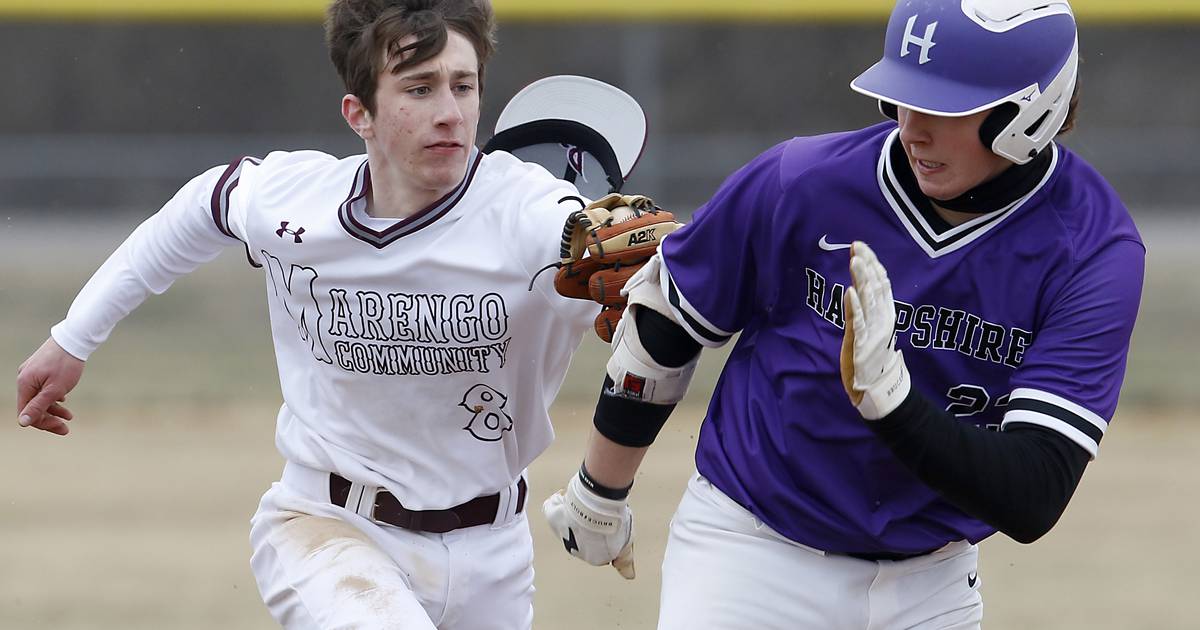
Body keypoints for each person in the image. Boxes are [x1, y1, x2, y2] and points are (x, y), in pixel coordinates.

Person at [14, 1, 649, 628]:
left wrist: (653, 284)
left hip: (496, 553)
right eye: (419, 88)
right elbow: (194, 213)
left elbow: (628, 253)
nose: (450, 113)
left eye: (464, 85)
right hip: (328, 528)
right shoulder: (296, 202)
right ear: (359, 113)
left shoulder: (531, 213)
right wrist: (72, 339)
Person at [541, 1, 1145, 628]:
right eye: (901, 98)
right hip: (749, 551)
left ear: (1027, 113)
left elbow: (1033, 495)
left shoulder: (1093, 251)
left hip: (930, 582)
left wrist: (894, 406)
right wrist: (598, 496)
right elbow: (666, 324)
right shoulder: (802, 179)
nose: (912, 127)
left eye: (944, 107)